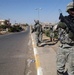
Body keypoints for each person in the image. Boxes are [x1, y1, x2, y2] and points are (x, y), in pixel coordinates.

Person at [56, 2, 74, 75]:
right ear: (68, 10)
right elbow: (57, 31)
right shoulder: (64, 20)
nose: (73, 11)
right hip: (62, 47)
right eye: (71, 10)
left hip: (73, 48)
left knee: (71, 70)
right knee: (59, 68)